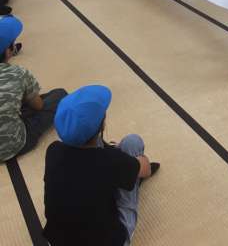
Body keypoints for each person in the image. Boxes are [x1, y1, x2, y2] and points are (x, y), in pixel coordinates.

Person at [44, 85, 160, 246]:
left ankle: (124, 173)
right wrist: (132, 163)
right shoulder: (110, 160)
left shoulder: (53, 151)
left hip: (58, 241)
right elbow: (146, 169)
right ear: (103, 125)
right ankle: (129, 176)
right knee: (133, 142)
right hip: (111, 241)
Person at [0, 16, 67, 162]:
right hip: (16, 144)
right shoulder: (18, 73)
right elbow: (38, 106)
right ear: (8, 51)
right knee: (59, 94)